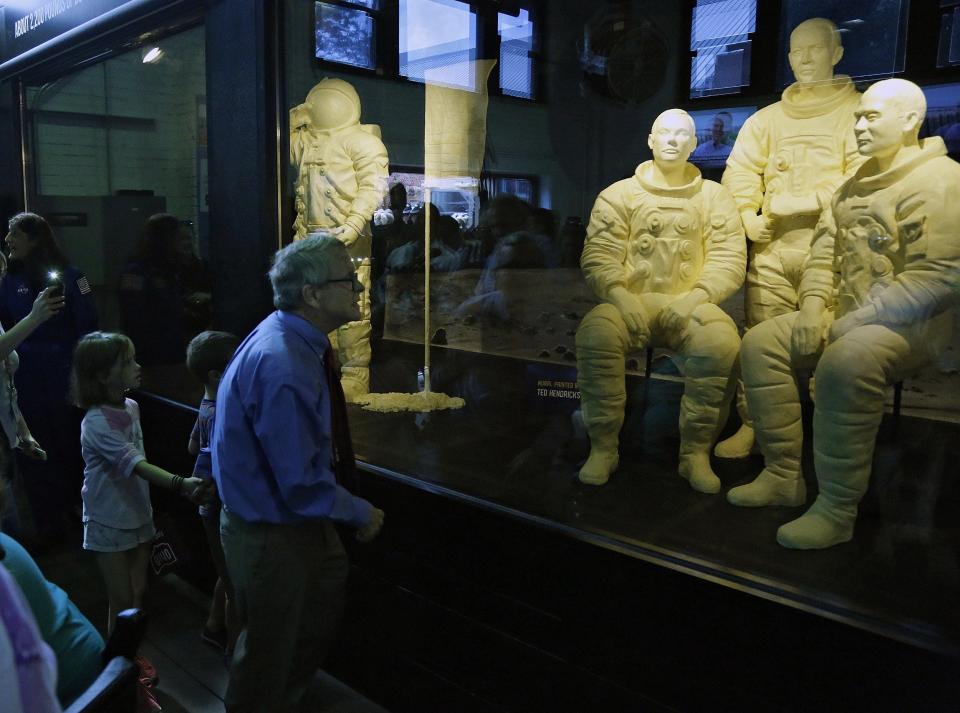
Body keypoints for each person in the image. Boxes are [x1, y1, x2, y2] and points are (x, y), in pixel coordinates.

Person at [732, 79, 960, 549]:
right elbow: (824, 254)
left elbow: (938, 278)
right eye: (857, 116)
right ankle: (782, 476)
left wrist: (850, 323)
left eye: (871, 117)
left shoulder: (941, 180)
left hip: (910, 326)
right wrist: (814, 307)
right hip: (847, 314)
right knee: (760, 344)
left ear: (910, 120)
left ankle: (837, 508)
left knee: (846, 362)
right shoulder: (850, 186)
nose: (858, 125)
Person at [212, 234, 385, 713]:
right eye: (346, 280)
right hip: (274, 531)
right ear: (311, 295)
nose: (357, 287)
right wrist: (359, 511)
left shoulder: (288, 337)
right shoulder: (285, 361)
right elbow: (299, 481)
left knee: (309, 614)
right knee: (268, 652)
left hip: (287, 523)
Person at [716, 18, 864, 459]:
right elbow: (741, 169)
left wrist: (800, 202)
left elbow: (863, 177)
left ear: (836, 53)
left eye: (815, 49)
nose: (805, 58)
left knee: (831, 343)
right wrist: (745, 213)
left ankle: (827, 436)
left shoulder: (857, 113)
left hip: (835, 250)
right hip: (773, 248)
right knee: (759, 340)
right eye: (797, 51)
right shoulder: (767, 120)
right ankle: (756, 425)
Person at [575, 108, 745, 492]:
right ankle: (603, 446)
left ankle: (695, 454)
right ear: (650, 140)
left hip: (691, 307)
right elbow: (600, 254)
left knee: (721, 345)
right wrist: (620, 295)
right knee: (596, 335)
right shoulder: (618, 195)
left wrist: (694, 299)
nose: (672, 140)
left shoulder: (714, 198)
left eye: (682, 134)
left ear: (695, 144)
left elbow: (728, 259)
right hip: (628, 305)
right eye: (664, 133)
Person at [72, 331, 209, 634]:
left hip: (137, 512)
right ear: (103, 375)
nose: (137, 366)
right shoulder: (94, 423)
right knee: (120, 600)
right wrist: (181, 483)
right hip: (107, 519)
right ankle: (118, 666)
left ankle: (130, 658)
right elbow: (135, 463)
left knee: (137, 592)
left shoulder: (131, 406)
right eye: (127, 362)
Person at [0, 212, 98, 544]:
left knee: (70, 444)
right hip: (24, 377)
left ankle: (80, 515)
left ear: (36, 238)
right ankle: (49, 523)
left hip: (64, 374)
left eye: (14, 233)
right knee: (34, 451)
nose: (8, 239)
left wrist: (86, 374)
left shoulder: (75, 277)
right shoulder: (8, 280)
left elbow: (90, 325)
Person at [290, 78, 390, 400]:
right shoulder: (307, 141)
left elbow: (374, 186)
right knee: (314, 307)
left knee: (352, 311)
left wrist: (355, 222)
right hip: (310, 243)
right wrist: (296, 117)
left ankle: (355, 376)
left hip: (349, 243)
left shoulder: (363, 142)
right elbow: (281, 142)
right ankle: (322, 371)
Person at [0, 249, 65, 537]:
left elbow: (4, 383)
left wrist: (22, 432)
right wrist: (35, 317)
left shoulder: (75, 276)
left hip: (10, 428)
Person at [185, 329, 240, 654]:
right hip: (219, 504)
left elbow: (192, 446)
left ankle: (213, 625)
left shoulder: (205, 405)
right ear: (217, 374)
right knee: (236, 586)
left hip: (208, 505)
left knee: (226, 570)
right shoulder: (224, 410)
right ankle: (236, 652)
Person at [119, 213, 212, 368]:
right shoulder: (138, 270)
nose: (182, 242)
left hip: (173, 348)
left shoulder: (171, 269)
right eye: (178, 237)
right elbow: (133, 314)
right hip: (152, 353)